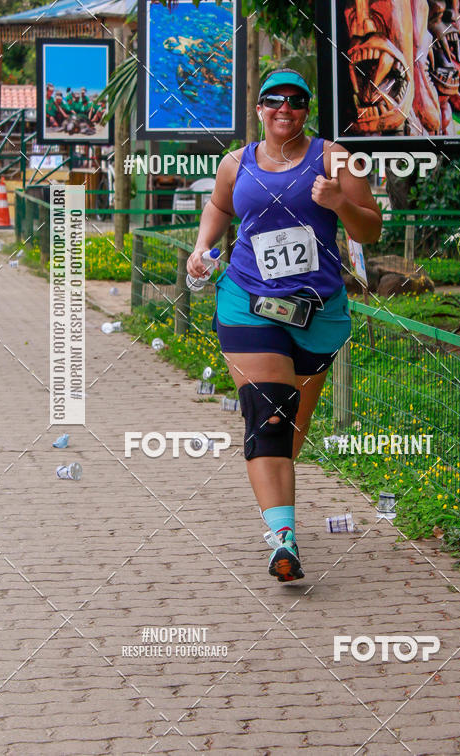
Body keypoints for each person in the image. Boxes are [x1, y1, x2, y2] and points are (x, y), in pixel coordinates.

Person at [186, 69, 382, 582]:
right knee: (269, 416)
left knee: (291, 429)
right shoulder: (236, 163)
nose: (284, 109)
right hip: (247, 302)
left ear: (306, 109)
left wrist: (339, 203)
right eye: (274, 100)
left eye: (296, 101)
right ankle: (283, 541)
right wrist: (202, 246)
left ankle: (275, 493)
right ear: (259, 109)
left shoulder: (335, 158)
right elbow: (218, 206)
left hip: (316, 312)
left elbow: (372, 227)